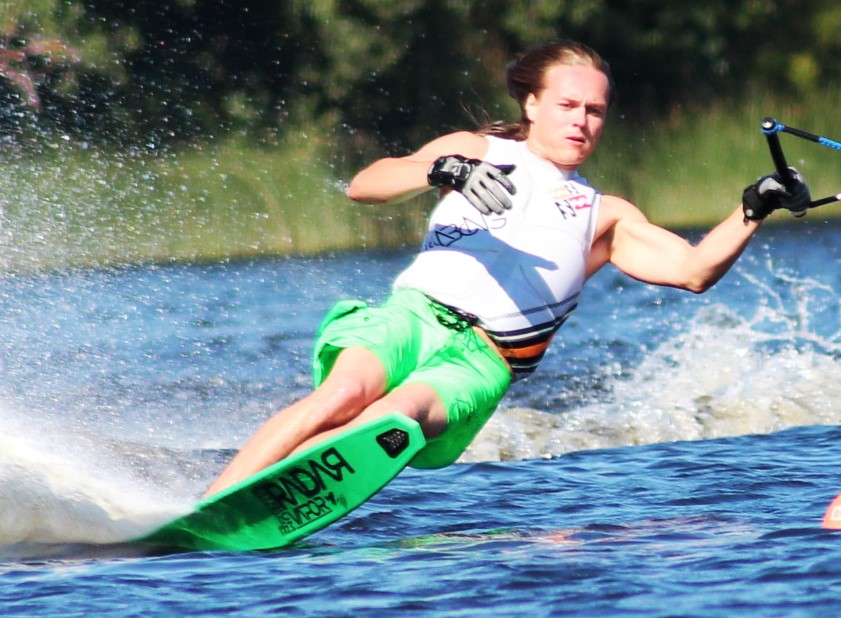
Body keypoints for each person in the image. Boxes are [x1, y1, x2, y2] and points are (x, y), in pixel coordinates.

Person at [204, 40, 809, 496]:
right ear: (532, 103)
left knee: (395, 417)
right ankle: (214, 502)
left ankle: (268, 500)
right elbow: (365, 185)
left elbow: (694, 270)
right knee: (343, 393)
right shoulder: (476, 150)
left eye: (595, 111)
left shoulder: (604, 214)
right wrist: (441, 169)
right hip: (411, 317)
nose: (581, 121)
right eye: (567, 105)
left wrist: (754, 208)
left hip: (482, 360)